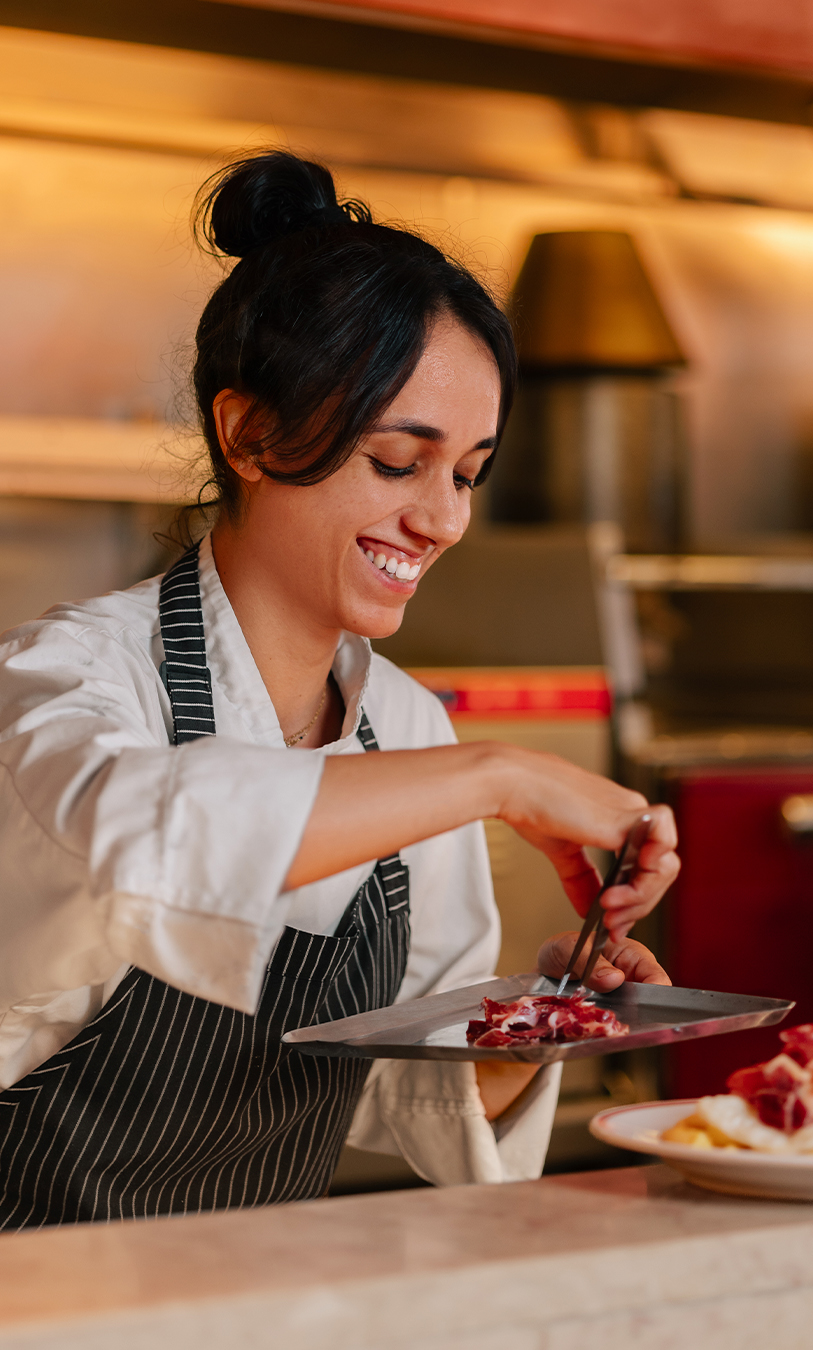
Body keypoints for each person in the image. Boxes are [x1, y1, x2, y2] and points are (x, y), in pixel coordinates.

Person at [0, 152, 680, 1230]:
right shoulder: (65, 682)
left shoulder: (406, 729)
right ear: (250, 432)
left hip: (259, 1300)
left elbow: (414, 1093)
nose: (445, 521)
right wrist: (493, 774)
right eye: (398, 461)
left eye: (467, 473)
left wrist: (553, 1017)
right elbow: (147, 847)